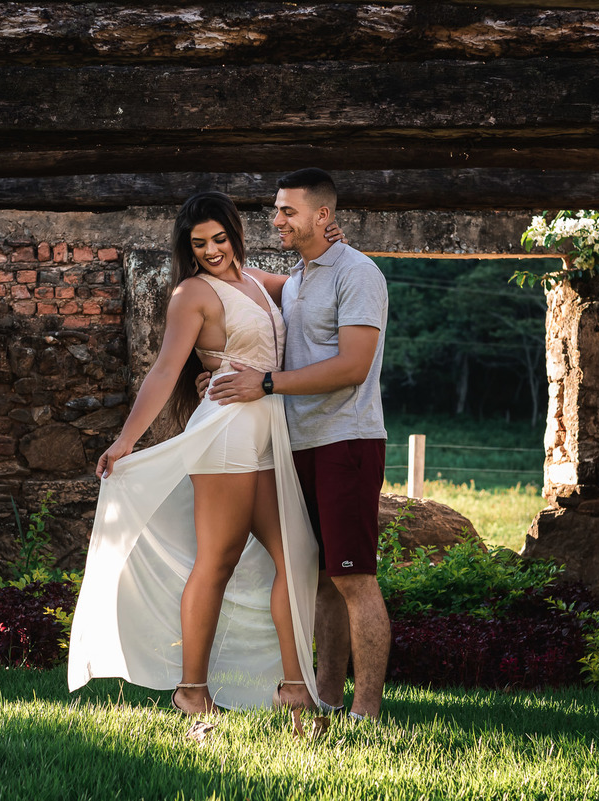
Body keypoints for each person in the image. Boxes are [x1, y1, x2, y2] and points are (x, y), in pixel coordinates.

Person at [67, 192, 327, 715]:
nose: (211, 250)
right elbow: (166, 370)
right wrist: (125, 441)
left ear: (235, 234)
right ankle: (192, 690)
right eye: (199, 243)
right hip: (227, 432)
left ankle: (295, 689)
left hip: (267, 432)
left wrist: (326, 245)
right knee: (218, 559)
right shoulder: (192, 293)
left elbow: (307, 286)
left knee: (299, 556)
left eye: (219, 238)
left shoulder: (255, 281)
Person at [206, 168, 390, 721]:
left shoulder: (358, 274)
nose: (276, 218)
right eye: (275, 209)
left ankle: (369, 714)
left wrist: (265, 384)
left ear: (323, 216)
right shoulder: (303, 275)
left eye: (287, 210)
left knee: (354, 577)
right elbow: (252, 289)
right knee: (321, 582)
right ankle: (329, 699)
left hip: (346, 440)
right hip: (300, 443)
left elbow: (354, 367)